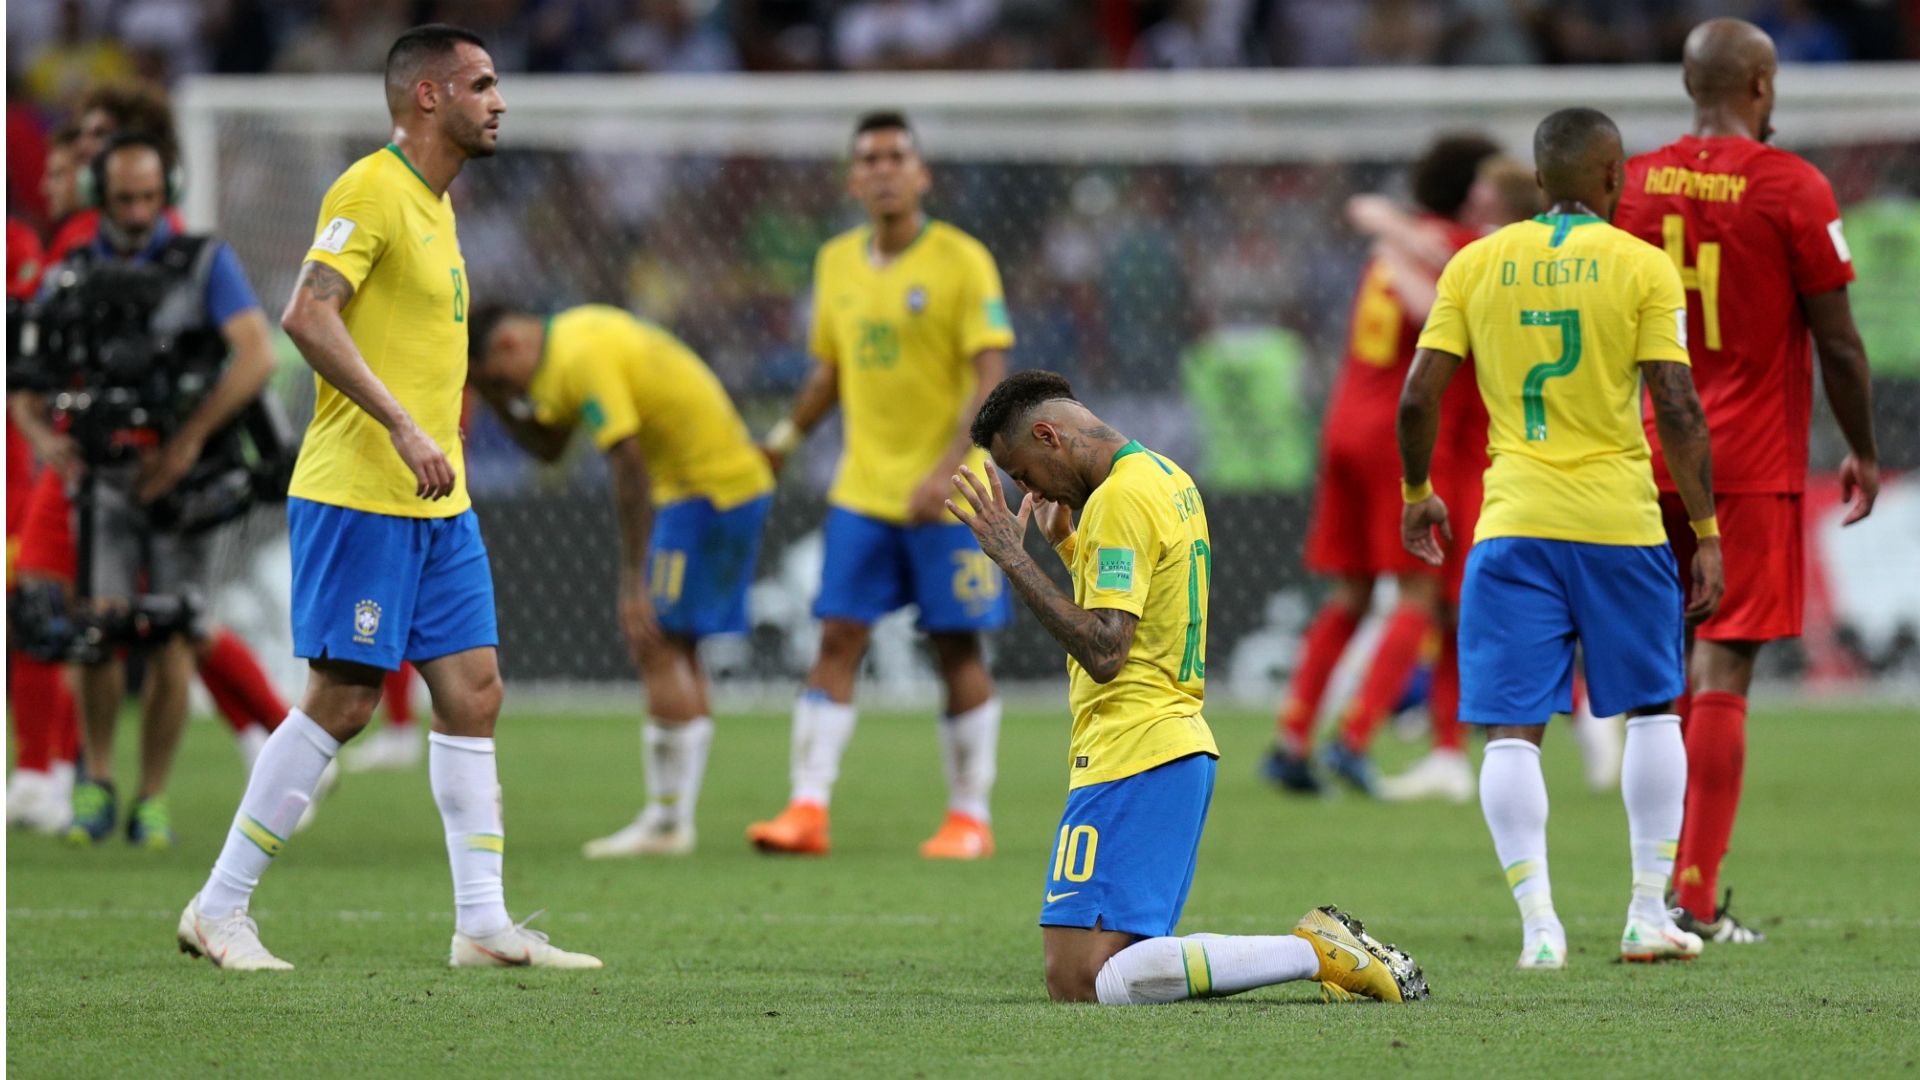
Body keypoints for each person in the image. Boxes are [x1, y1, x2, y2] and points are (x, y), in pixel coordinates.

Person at [176, 24, 598, 971]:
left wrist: (433, 436)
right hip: (363, 487)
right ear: (428, 97)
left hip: (435, 504)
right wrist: (407, 427)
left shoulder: (437, 210)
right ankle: (219, 905)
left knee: (474, 691)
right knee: (345, 699)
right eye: (482, 84)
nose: (499, 101)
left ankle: (482, 924)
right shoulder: (371, 186)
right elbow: (307, 312)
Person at [950, 370, 1427, 1005]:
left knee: (1080, 980)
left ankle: (1314, 952)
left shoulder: (1120, 499)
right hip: (1164, 748)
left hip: (1135, 750)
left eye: (1023, 473)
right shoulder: (1163, 476)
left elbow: (1107, 648)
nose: (1026, 490)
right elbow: (1142, 610)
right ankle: (1315, 953)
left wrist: (1014, 558)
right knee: (1103, 973)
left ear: (1048, 435)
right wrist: (1067, 549)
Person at [1399, 107, 1724, 969]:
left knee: (1510, 730)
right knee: (1655, 710)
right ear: (1615, 177)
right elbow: (1681, 409)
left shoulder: (1475, 264)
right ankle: (1647, 913)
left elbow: (1417, 396)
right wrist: (1708, 531)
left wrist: (1418, 493)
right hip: (1619, 523)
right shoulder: (1643, 268)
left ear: (1538, 182)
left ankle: (1539, 927)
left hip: (1512, 525)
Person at [1613, 17, 1878, 945]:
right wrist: (1864, 446)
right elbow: (1839, 340)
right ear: (1762, 84)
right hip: (1751, 463)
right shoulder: (1792, 186)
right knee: (1723, 666)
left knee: (1661, 678)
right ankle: (1690, 892)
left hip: (1645, 458)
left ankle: (1656, 893)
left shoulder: (1634, 182)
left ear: (1692, 84)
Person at [747, 111, 1013, 859]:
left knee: (956, 645)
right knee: (836, 635)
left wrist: (949, 469)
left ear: (922, 174)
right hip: (862, 490)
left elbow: (992, 376)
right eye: (871, 158)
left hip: (951, 493)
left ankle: (970, 817)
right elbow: (829, 372)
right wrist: (783, 441)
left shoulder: (964, 261)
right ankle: (806, 809)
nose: (886, 168)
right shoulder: (836, 262)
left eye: (900, 155)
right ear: (854, 178)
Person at [9, 132, 280, 850]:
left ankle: (151, 796)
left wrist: (191, 439)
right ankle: (95, 780)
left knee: (171, 630)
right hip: (101, 474)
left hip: (181, 479)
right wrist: (46, 442)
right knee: (97, 628)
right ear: (102, 198)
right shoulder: (71, 269)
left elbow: (256, 353)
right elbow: (25, 372)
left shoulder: (202, 262)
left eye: (149, 198)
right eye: (124, 198)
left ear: (170, 193)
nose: (136, 212)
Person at [468, 303, 775, 856]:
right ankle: (673, 818)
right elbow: (550, 447)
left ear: (510, 345)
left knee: (652, 637)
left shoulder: (581, 358)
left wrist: (633, 579)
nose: (500, 390)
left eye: (494, 378)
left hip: (703, 489)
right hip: (724, 481)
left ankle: (667, 823)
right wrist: (493, 396)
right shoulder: (568, 342)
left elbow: (627, 460)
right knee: (675, 644)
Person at [1264, 134, 1499, 799]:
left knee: (1353, 594)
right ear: (1468, 188)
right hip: (1405, 434)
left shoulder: (1398, 245)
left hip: (1347, 418)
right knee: (1424, 596)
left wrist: (1392, 228)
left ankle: (1292, 737)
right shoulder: (1461, 250)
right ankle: (1355, 736)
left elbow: (1368, 214)